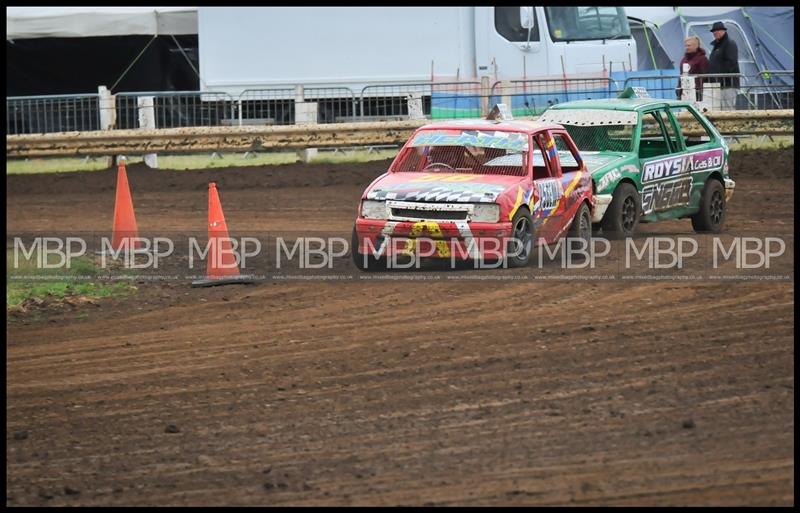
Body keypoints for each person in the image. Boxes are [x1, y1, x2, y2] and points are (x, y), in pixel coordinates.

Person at [707, 21, 740, 110]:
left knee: (728, 109)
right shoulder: (717, 46)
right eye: (714, 31)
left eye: (718, 30)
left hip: (728, 84)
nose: (716, 32)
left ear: (724, 31)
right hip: (719, 84)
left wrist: (720, 77)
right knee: (719, 109)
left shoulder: (729, 43)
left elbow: (731, 63)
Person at [676, 35, 709, 101]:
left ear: (696, 46)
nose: (687, 47)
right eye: (686, 45)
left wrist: (699, 89)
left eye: (689, 45)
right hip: (684, 90)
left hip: (697, 91)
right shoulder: (684, 59)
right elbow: (681, 74)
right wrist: (679, 87)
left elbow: (705, 75)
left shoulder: (702, 59)